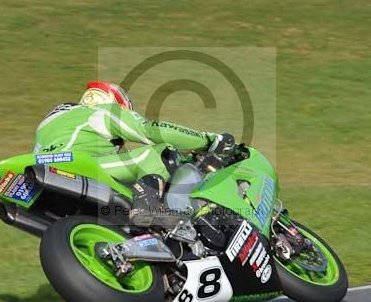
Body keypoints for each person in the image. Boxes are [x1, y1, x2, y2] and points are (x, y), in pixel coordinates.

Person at [34, 81, 235, 225]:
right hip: (78, 167)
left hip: (45, 180)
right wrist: (208, 140)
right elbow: (152, 131)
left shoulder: (48, 126)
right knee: (160, 152)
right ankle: (147, 204)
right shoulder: (102, 112)